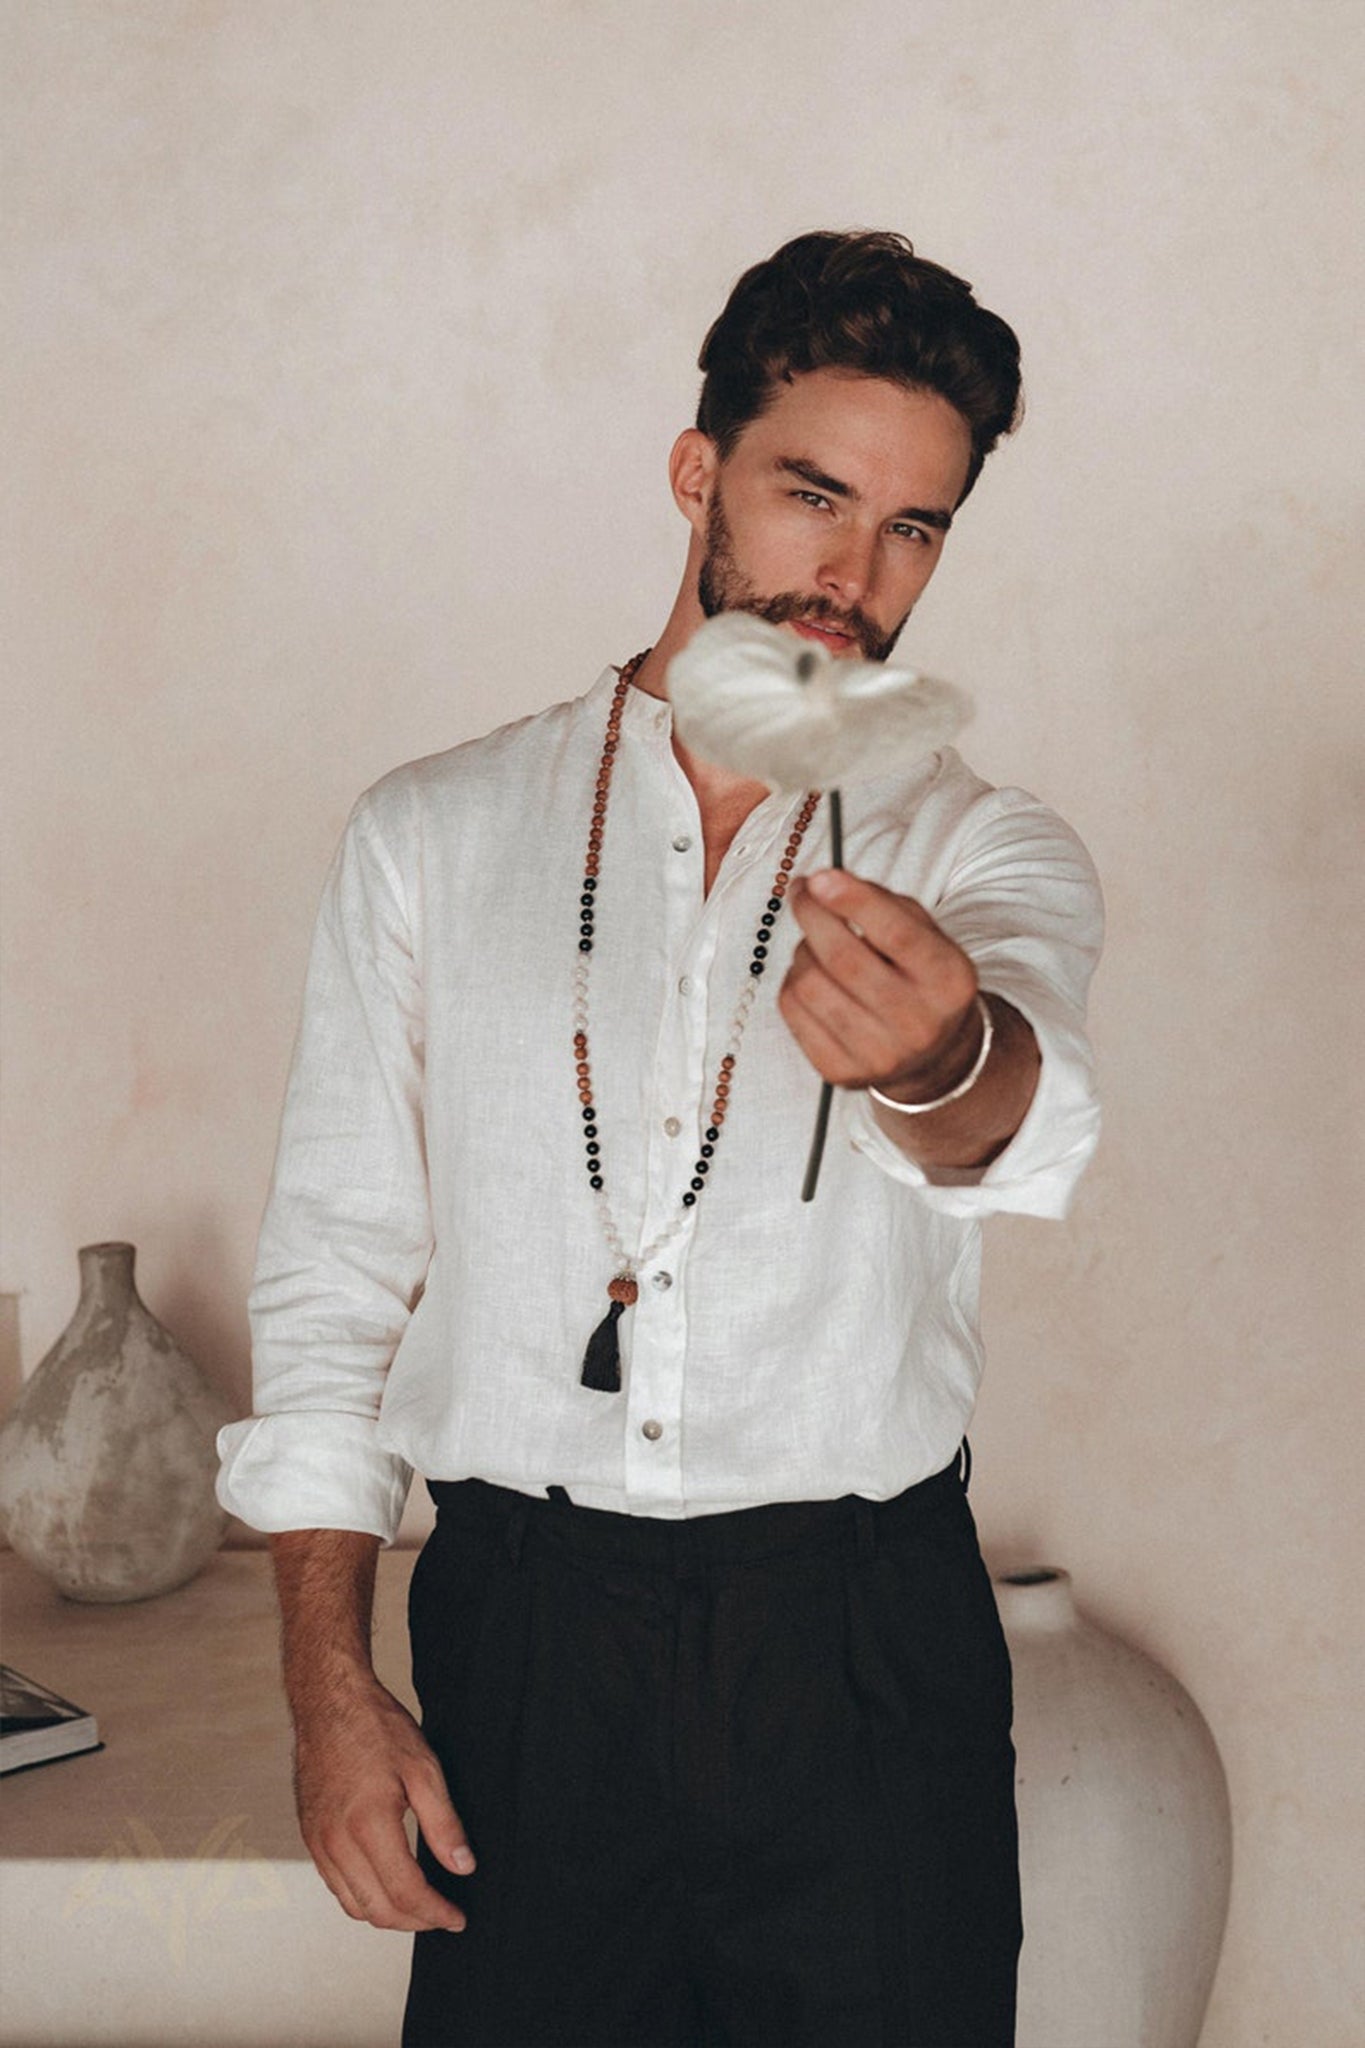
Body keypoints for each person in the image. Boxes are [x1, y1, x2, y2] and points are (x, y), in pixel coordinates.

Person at [218, 229, 1102, 2048]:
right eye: (811, 495)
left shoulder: (976, 844)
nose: (854, 575)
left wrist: (937, 1056)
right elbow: (334, 1273)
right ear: (697, 472)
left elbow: (1011, 1095)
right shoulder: (432, 834)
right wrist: (330, 1689)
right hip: (523, 1647)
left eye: (915, 528)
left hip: (860, 1648)